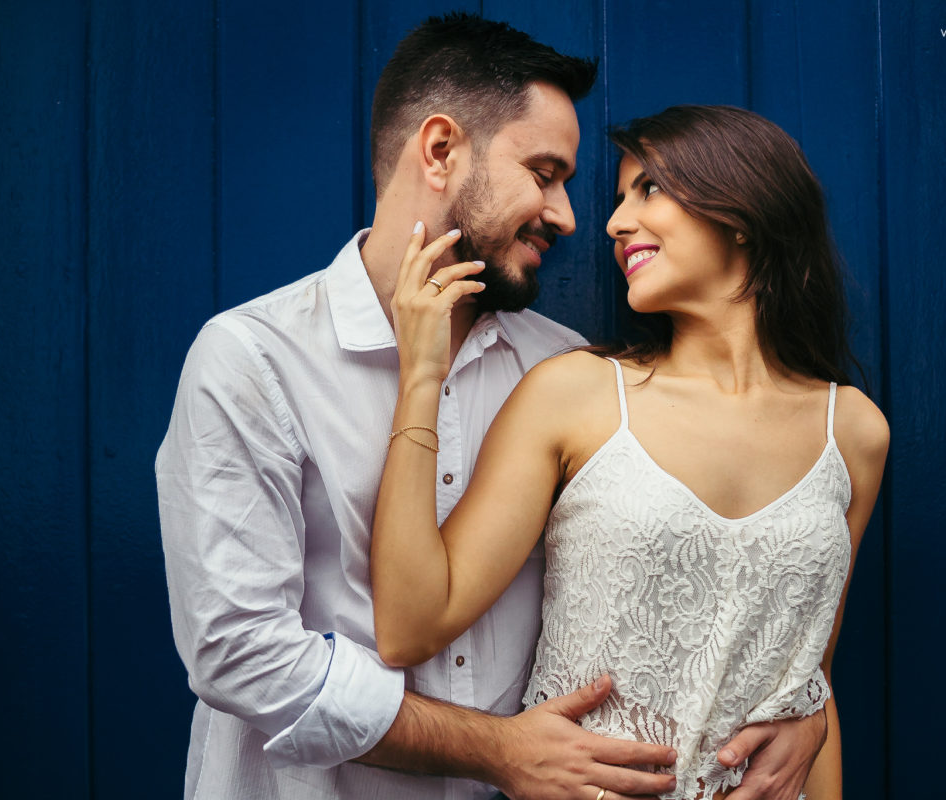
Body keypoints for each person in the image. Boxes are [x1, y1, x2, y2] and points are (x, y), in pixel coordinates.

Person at [157, 13, 826, 800]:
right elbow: (240, 654)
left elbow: (702, 578)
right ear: (441, 151)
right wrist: (495, 751)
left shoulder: (567, 368)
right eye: (545, 173)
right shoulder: (254, 360)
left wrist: (805, 707)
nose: (571, 216)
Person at [371, 105, 889, 800]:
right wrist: (422, 378)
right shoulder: (574, 395)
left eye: (647, 190)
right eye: (620, 199)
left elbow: (808, 694)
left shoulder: (852, 432)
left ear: (740, 211)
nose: (614, 224)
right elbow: (410, 624)